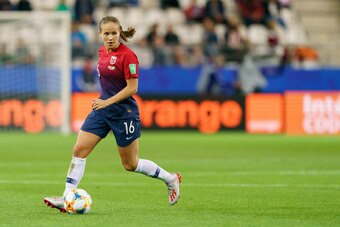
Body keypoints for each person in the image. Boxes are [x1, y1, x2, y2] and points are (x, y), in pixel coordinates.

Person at [43, 16, 181, 212]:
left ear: (119, 33)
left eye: (114, 33)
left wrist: (107, 101)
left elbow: (133, 87)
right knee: (79, 150)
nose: (110, 37)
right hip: (102, 110)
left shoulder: (128, 56)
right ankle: (66, 197)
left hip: (124, 113)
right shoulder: (101, 52)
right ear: (100, 34)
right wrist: (104, 103)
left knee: (130, 164)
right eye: (106, 33)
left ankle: (171, 179)